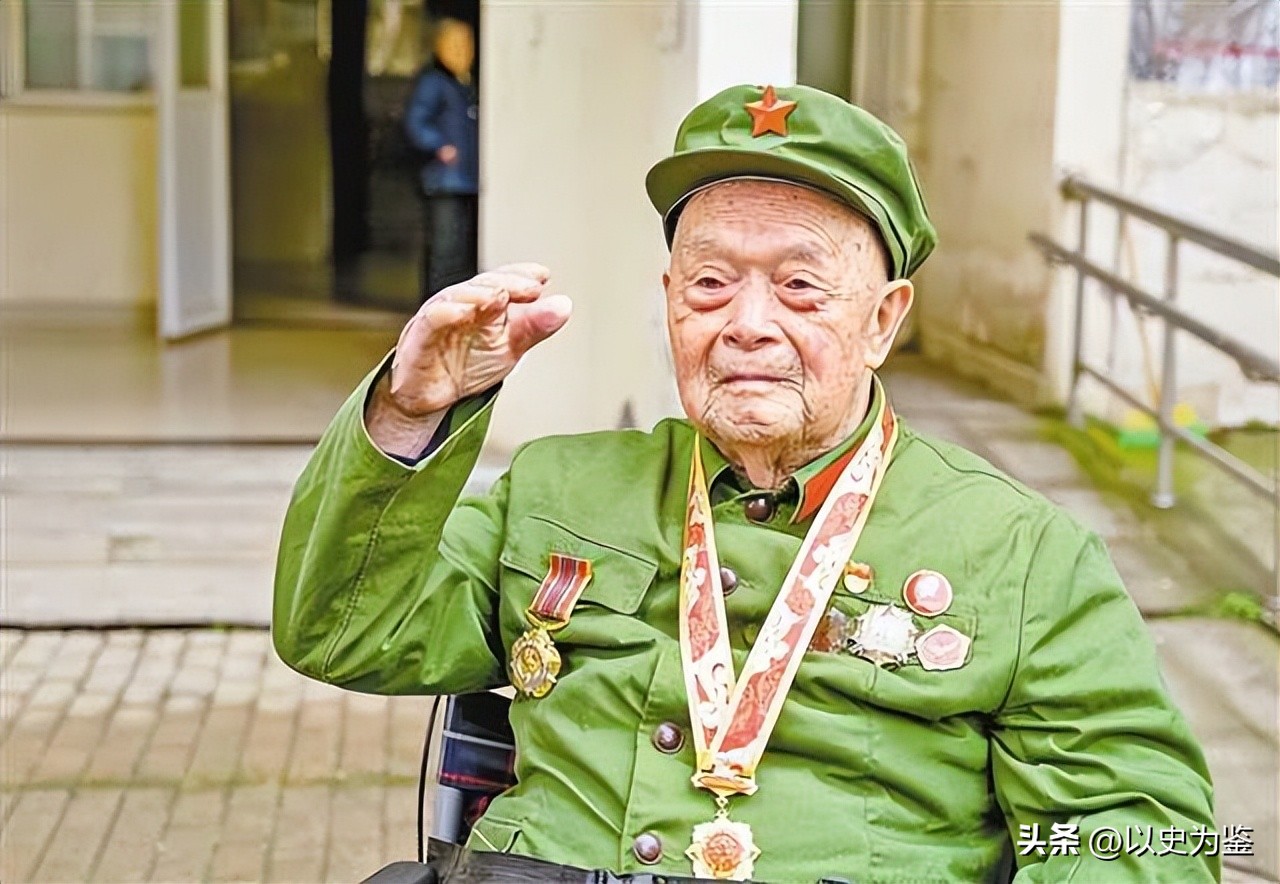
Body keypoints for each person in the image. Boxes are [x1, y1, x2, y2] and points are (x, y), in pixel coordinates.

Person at [274, 84, 1217, 883]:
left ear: (882, 321)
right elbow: (343, 633)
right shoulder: (557, 487)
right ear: (670, 302)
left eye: (800, 287)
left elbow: (1139, 830)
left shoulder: (1024, 552)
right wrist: (410, 409)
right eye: (710, 284)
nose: (747, 324)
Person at [404, 17, 479, 302]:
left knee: (459, 247)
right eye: (454, 45)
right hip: (445, 179)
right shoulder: (434, 82)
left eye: (467, 45)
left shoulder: (464, 84)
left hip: (464, 178)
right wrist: (439, 145)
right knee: (445, 247)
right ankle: (438, 303)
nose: (462, 52)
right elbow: (416, 121)